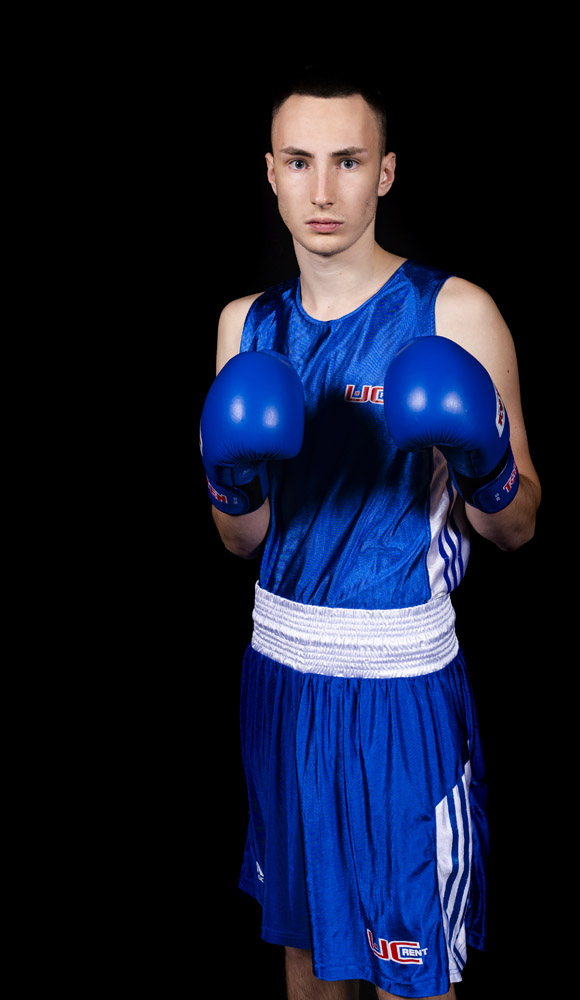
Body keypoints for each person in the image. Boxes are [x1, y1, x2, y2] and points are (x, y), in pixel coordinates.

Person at [200, 68, 541, 1000]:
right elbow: (240, 542)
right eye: (299, 162)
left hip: (399, 688)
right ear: (269, 173)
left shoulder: (453, 313)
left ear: (384, 173)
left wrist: (484, 462)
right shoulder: (245, 326)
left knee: (410, 978)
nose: (322, 190)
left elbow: (516, 527)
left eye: (347, 162)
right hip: (281, 678)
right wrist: (229, 480)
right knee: (307, 964)